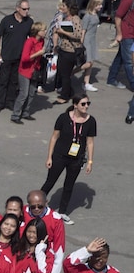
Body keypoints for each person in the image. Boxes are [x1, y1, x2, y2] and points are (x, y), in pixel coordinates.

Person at [40, 94, 95, 225]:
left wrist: (90, 161)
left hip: (76, 159)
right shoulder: (63, 118)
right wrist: (49, 156)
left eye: (88, 103)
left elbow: (90, 142)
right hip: (59, 155)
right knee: (50, 181)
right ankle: (36, 204)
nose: (86, 106)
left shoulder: (91, 121)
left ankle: (62, 212)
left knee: (69, 186)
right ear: (75, 105)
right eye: (83, 104)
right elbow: (54, 137)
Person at [0, 0, 33, 114]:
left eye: (28, 9)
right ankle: (0, 103)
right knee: (3, 81)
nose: (26, 11)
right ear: (17, 9)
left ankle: (10, 101)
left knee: (14, 81)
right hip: (6, 56)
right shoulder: (7, 20)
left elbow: (31, 39)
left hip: (19, 58)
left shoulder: (29, 22)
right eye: (24, 9)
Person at [11, 22, 47, 124]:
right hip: (25, 71)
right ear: (37, 32)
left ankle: (25, 112)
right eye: (43, 30)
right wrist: (38, 54)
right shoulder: (29, 42)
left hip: (35, 70)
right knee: (24, 93)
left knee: (31, 93)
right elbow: (25, 58)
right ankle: (15, 114)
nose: (45, 32)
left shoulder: (41, 41)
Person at [52, 0, 85, 104]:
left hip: (70, 51)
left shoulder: (75, 19)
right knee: (62, 73)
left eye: (64, 6)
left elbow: (78, 35)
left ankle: (64, 96)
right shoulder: (65, 18)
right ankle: (69, 91)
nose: (62, 8)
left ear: (69, 8)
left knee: (66, 75)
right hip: (63, 49)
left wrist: (63, 32)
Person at [108, 0, 134, 93]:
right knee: (128, 61)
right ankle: (133, 84)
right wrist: (119, 34)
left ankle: (111, 79)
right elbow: (118, 17)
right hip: (127, 33)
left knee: (121, 56)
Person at [81, 0, 105, 91]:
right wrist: (82, 41)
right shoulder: (88, 16)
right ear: (93, 5)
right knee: (88, 63)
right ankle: (70, 73)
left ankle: (86, 83)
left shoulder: (95, 15)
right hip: (87, 40)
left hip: (92, 40)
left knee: (91, 63)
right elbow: (83, 30)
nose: (101, 6)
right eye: (99, 4)